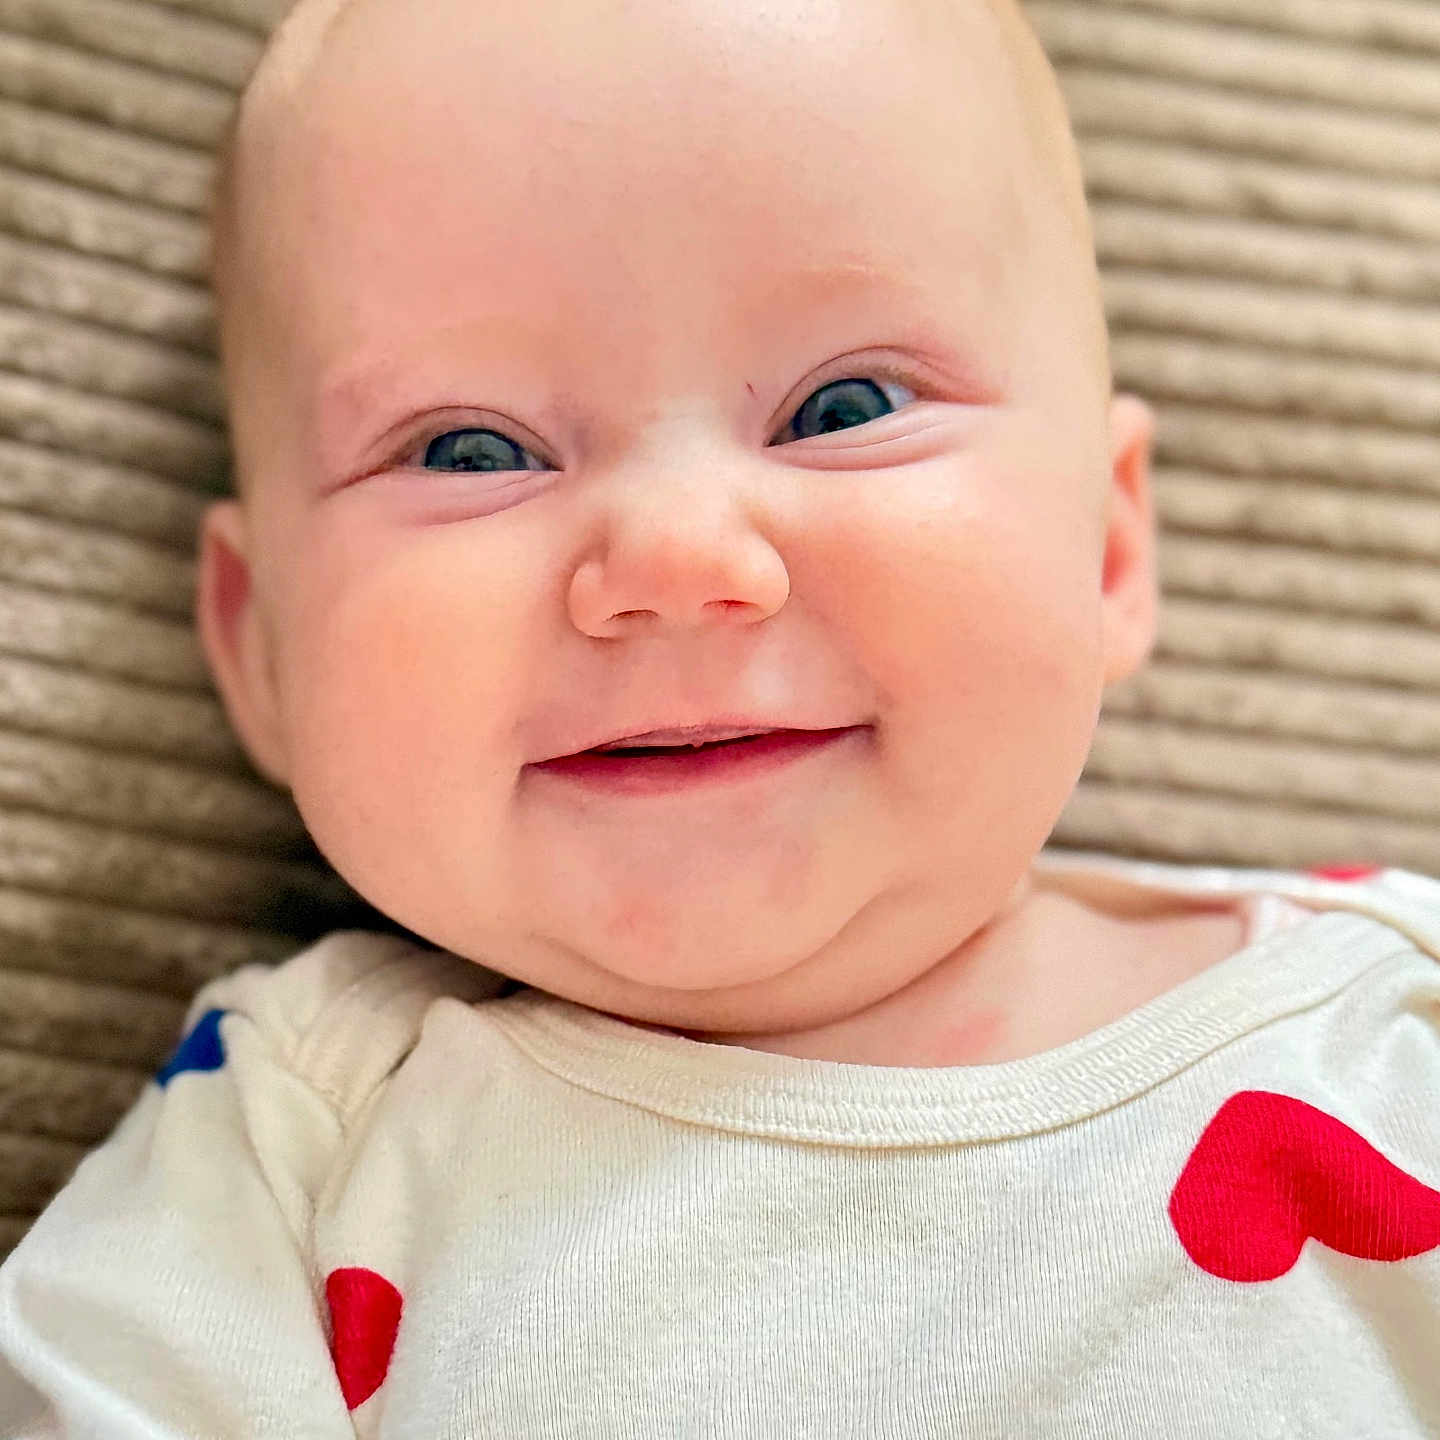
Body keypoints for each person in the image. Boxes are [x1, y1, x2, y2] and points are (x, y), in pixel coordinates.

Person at [2, 0, 1438, 1432]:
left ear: (1109, 551)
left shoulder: (1392, 1033)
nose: (677, 564)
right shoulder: (293, 1140)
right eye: (468, 448)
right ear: (259, 644)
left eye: (845, 406)